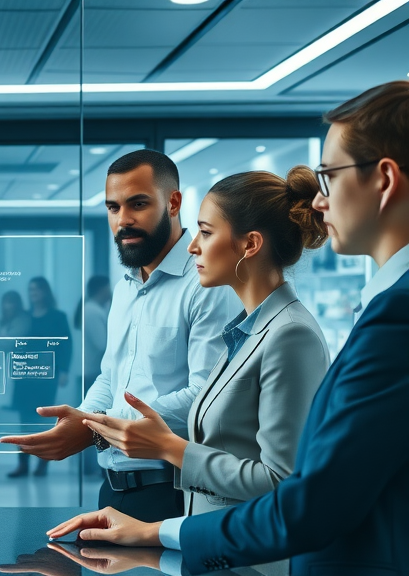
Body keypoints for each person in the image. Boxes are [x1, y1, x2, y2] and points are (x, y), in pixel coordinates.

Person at [48, 81, 409, 576]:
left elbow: (297, 494)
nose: (321, 203)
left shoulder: (350, 322)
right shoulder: (252, 327)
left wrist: (158, 452)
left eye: (329, 176)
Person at [50, 168, 331, 576]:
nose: (194, 246)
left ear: (250, 245)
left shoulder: (291, 336)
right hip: (215, 549)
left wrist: (167, 447)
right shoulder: (246, 331)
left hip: (252, 562)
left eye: (206, 232)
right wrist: (152, 532)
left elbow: (281, 487)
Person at [0, 149, 239, 522]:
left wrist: (93, 429)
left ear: (173, 202)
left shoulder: (208, 282)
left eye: (138, 204)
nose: (122, 220)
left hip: (175, 493)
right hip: (113, 487)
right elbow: (110, 376)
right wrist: (79, 418)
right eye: (113, 208)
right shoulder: (126, 285)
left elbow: (206, 398)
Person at [8, 277, 71, 478]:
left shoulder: (58, 317)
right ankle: (23, 463)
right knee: (24, 422)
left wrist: (64, 371)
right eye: (30, 289)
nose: (33, 293)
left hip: (46, 375)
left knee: (43, 421)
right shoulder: (23, 317)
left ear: (45, 292)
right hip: (24, 375)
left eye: (36, 289)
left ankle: (43, 464)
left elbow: (66, 346)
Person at [75, 275, 111, 390]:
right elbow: (102, 345)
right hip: (91, 373)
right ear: (102, 289)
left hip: (88, 372)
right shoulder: (92, 311)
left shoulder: (92, 309)